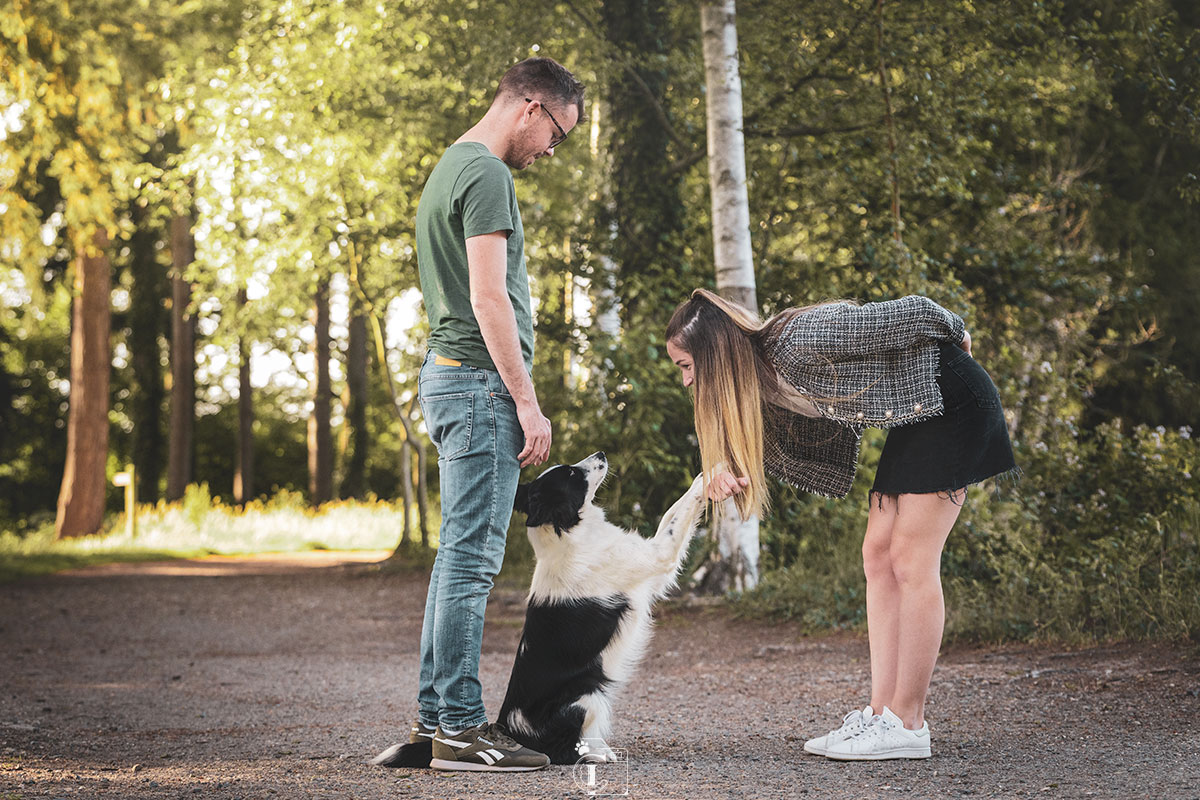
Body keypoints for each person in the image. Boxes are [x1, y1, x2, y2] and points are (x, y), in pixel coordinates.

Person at [664, 288, 1016, 761]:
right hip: (917, 415)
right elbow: (746, 437)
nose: (685, 381)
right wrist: (721, 466)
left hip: (954, 402)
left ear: (714, 355)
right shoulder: (758, 381)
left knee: (911, 560)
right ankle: (880, 716)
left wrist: (958, 333)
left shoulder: (796, 341)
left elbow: (907, 312)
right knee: (877, 554)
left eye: (687, 366)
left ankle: (909, 723)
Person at [407, 57, 584, 772]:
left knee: (456, 559)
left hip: (450, 380)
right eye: (557, 135)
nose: (550, 152)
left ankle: (432, 723)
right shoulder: (487, 174)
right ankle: (458, 726)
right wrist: (526, 400)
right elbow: (489, 299)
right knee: (472, 564)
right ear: (531, 107)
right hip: (479, 387)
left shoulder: (450, 165)